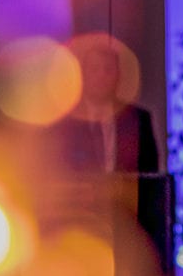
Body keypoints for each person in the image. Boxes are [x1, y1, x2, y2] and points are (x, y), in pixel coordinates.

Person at [54, 33, 159, 174]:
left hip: (127, 195)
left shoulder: (138, 119)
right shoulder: (65, 122)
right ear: (83, 75)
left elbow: (150, 174)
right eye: (95, 69)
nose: (101, 77)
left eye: (108, 69)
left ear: (118, 75)